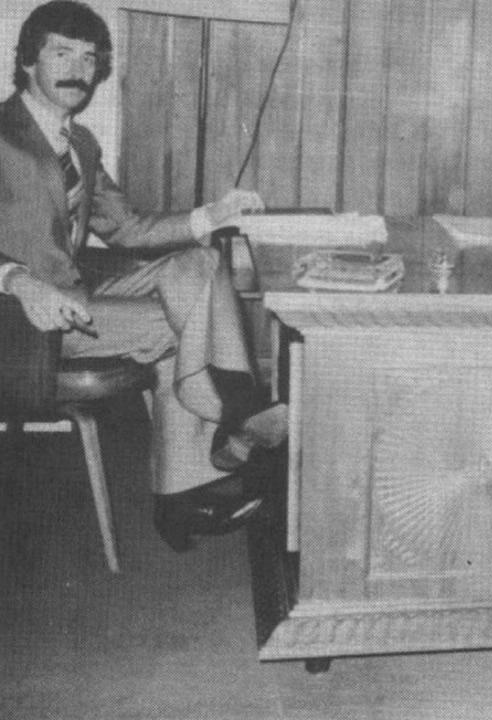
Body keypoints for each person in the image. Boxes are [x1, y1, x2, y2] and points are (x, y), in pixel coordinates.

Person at [0, 1, 284, 553]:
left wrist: (212, 215)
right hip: (22, 318)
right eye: (62, 54)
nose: (78, 70)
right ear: (28, 61)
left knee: (200, 264)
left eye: (89, 58)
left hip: (77, 291)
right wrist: (17, 279)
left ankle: (232, 414)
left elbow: (127, 228)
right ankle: (197, 467)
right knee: (182, 323)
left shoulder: (80, 143)